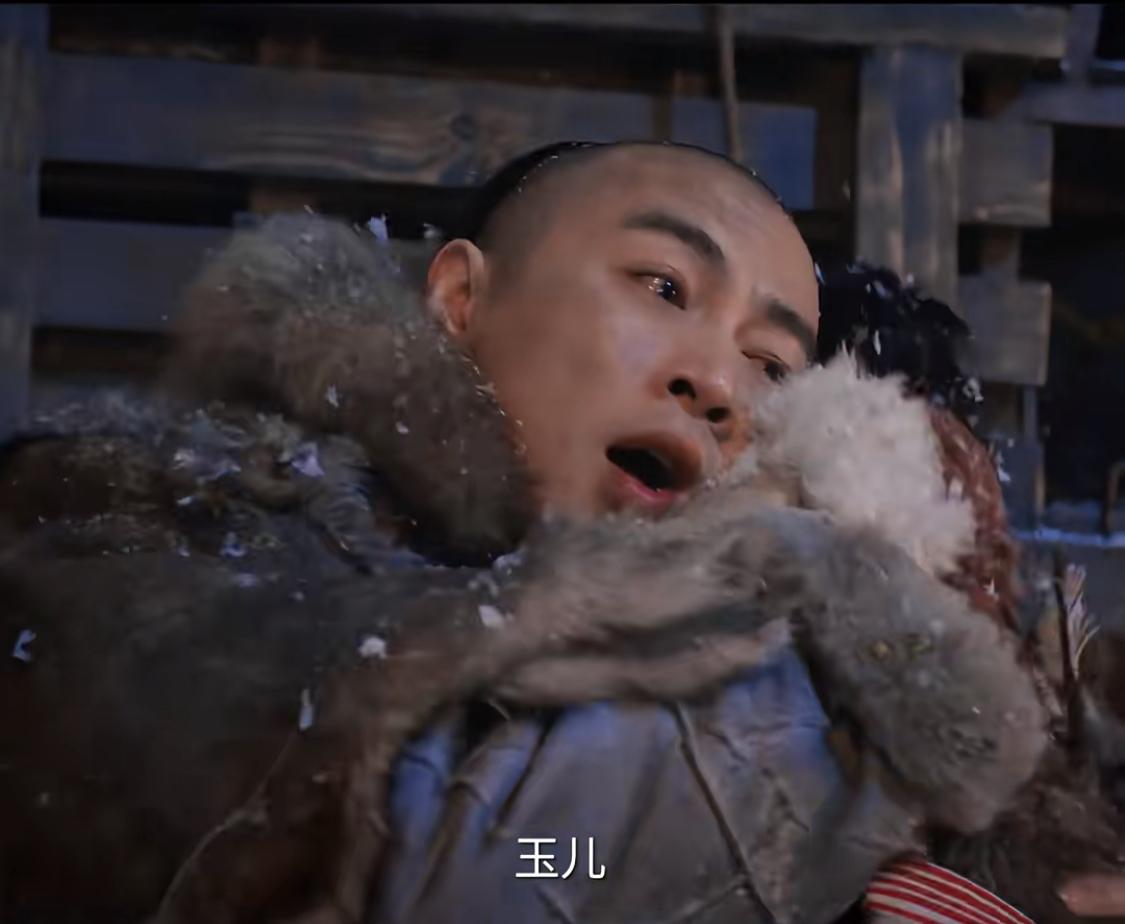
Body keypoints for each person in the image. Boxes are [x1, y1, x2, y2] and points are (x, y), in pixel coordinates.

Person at [0, 141, 1047, 924]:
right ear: (461, 299)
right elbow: (505, 868)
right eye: (664, 287)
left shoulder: (705, 624)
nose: (721, 385)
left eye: (771, 364)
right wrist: (839, 653)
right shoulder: (138, 519)